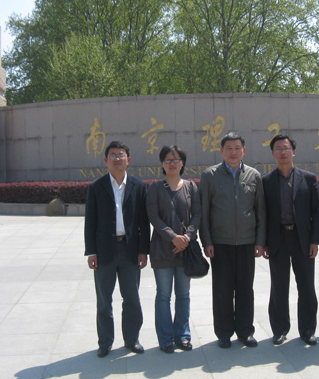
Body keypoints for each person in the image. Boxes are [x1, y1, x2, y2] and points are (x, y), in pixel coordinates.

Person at [200, 131, 267, 349]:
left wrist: (260, 241)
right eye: (228, 148)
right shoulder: (210, 175)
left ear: (244, 150)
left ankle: (245, 332)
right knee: (222, 290)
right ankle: (224, 332)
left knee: (246, 289)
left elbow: (260, 211)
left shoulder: (254, 176)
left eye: (237, 148)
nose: (233, 152)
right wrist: (207, 241)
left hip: (247, 242)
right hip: (220, 243)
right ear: (221, 151)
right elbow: (204, 212)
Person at [84, 140, 150, 357]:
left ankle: (132, 339)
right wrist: (91, 252)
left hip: (130, 250)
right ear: (106, 160)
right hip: (104, 251)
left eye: (121, 155)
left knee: (132, 298)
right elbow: (90, 222)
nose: (117, 159)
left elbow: (143, 222)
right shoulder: (96, 187)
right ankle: (105, 342)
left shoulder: (139, 187)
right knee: (104, 300)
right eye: (113, 155)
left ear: (128, 160)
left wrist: (143, 250)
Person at [262, 134, 319, 346]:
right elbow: (263, 214)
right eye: (278, 148)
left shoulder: (309, 178)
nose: (283, 152)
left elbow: (317, 212)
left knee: (306, 285)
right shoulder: (266, 181)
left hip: (302, 238)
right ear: (273, 154)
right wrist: (264, 242)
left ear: (293, 152)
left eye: (286, 148)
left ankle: (307, 329)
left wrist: (315, 240)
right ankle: (279, 329)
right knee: (279, 286)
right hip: (277, 238)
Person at [146, 145, 201, 354]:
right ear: (162, 163)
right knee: (163, 295)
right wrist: (173, 238)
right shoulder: (155, 188)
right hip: (162, 250)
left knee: (184, 295)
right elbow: (153, 217)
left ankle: (183, 336)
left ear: (182, 163)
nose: (172, 163)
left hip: (185, 249)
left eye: (176, 159)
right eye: (168, 160)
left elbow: (197, 214)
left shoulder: (191, 187)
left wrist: (186, 237)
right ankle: (166, 338)